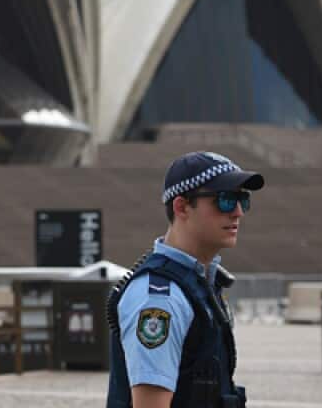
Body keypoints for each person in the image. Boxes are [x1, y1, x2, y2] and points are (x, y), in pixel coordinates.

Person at [106, 151, 265, 408]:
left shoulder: (199, 283)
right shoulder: (159, 298)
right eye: (224, 200)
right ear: (181, 207)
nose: (238, 212)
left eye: (242, 200)